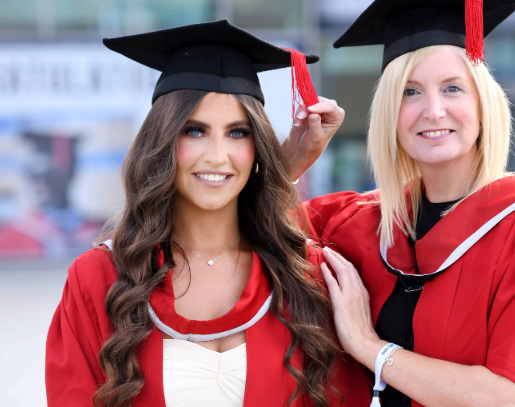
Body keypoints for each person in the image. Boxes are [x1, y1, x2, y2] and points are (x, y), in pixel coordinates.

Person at [296, 0, 515, 407]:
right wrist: (293, 161)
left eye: (452, 88)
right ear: (389, 116)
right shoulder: (357, 224)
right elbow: (236, 234)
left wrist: (368, 346)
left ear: (484, 106)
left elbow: (513, 398)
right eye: (410, 92)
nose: (432, 111)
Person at [45, 20, 369, 407]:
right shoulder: (101, 278)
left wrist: (283, 172)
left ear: (258, 146)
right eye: (194, 130)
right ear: (162, 141)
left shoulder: (303, 274)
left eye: (238, 133)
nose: (217, 155)